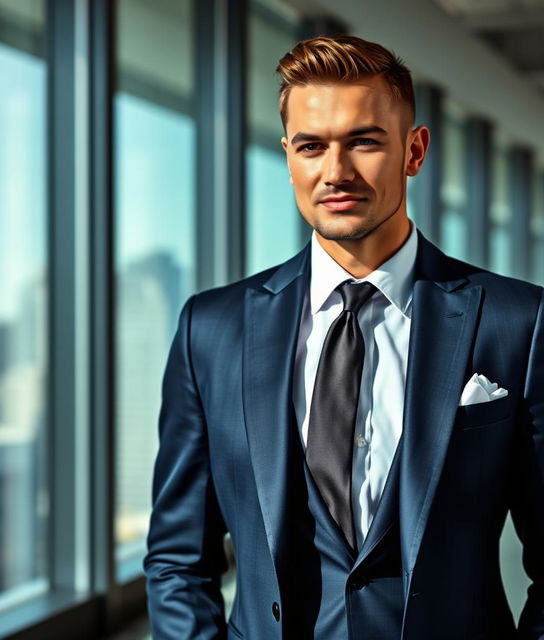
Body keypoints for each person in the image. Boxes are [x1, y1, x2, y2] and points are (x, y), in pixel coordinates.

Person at [143, 35, 544, 639]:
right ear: (287, 157)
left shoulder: (519, 321)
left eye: (363, 141)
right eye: (311, 146)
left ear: (414, 150)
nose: (336, 172)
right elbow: (177, 559)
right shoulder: (213, 329)